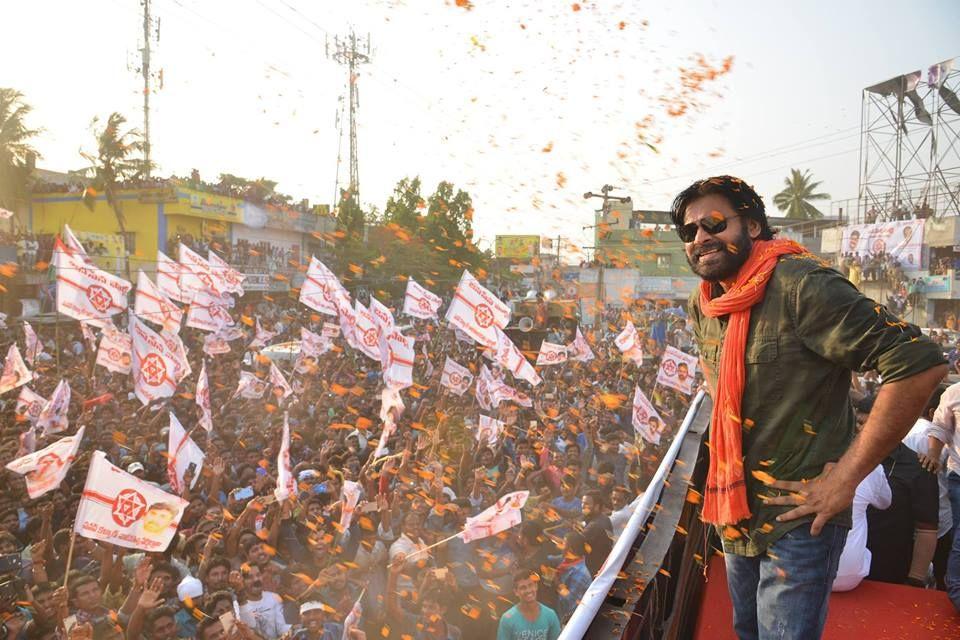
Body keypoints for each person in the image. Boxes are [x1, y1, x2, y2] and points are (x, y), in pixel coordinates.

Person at [672, 175, 946, 640]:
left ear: (753, 225)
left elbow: (918, 363)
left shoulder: (802, 285)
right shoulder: (706, 303)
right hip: (735, 506)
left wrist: (846, 478)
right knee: (748, 632)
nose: (700, 238)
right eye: (689, 231)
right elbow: (714, 374)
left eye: (714, 223)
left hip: (798, 514)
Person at [496, 569, 561, 640]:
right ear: (516, 592)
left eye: (530, 585)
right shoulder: (507, 619)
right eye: (523, 588)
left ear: (536, 586)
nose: (528, 590)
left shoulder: (550, 615)